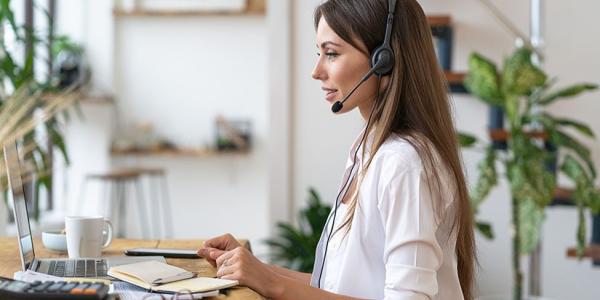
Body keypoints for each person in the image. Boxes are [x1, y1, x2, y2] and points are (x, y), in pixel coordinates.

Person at [197, 0, 475, 299]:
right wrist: (256, 269)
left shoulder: (404, 164)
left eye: (331, 53)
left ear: (385, 61)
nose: (316, 71)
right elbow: (336, 287)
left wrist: (270, 282)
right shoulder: (368, 149)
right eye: (320, 53)